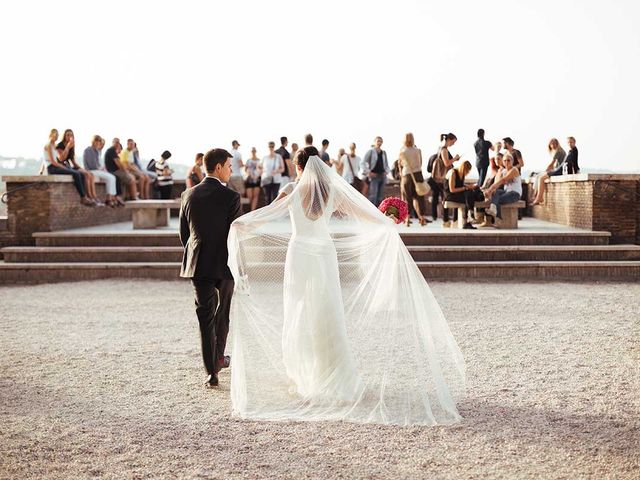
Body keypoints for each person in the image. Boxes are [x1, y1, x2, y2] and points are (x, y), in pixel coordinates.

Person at [227, 151, 465, 425]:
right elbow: (362, 212)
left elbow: (268, 215)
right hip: (324, 253)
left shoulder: (291, 189)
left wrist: (241, 224)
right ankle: (335, 375)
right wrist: (385, 219)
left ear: (299, 167)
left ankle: (306, 377)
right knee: (328, 312)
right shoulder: (331, 193)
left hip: (300, 254)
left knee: (300, 311)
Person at [179, 148, 242, 388]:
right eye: (229, 165)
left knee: (205, 317)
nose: (231, 170)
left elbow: (184, 235)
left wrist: (196, 252)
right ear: (218, 167)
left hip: (199, 262)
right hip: (224, 263)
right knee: (222, 313)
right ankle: (218, 359)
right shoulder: (231, 197)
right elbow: (234, 236)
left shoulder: (188, 195)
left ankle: (211, 373)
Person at [43, 129, 94, 206]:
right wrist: (63, 167)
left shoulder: (54, 145)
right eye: (54, 135)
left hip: (57, 166)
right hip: (52, 168)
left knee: (82, 174)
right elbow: (53, 161)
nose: (55, 137)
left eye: (57, 135)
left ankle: (85, 196)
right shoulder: (48, 145)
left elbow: (46, 159)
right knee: (76, 174)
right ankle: (83, 197)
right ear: (50, 135)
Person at [57, 129, 102, 205]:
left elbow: (73, 162)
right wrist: (67, 147)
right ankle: (88, 196)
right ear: (64, 136)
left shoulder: (72, 146)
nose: (69, 137)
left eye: (71, 135)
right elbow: (61, 158)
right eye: (67, 135)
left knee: (89, 174)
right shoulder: (60, 145)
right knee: (82, 174)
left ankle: (93, 196)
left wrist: (82, 169)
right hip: (62, 167)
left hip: (69, 166)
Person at [427, 133, 459, 227]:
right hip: (442, 179)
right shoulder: (444, 150)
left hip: (437, 179)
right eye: (453, 142)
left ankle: (443, 219)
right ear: (449, 140)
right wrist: (455, 158)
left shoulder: (440, 148)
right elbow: (446, 163)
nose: (453, 144)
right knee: (446, 198)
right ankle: (446, 220)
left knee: (442, 198)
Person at [482, 153, 522, 226]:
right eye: (505, 161)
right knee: (496, 193)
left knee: (498, 199)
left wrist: (490, 189)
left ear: (512, 161)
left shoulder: (514, 169)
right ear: (503, 162)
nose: (506, 162)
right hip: (507, 192)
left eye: (508, 160)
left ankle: (498, 219)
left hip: (515, 194)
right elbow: (497, 182)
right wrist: (490, 191)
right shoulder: (503, 171)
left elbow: (503, 180)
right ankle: (493, 214)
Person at [398, 133, 429, 226]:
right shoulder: (417, 150)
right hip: (418, 174)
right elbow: (420, 163)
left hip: (407, 174)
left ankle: (407, 219)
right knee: (420, 197)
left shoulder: (402, 151)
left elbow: (400, 164)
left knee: (407, 198)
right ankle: (422, 218)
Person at [444, 160, 484, 229]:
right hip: (450, 195)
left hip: (458, 193)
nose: (467, 173)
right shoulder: (453, 173)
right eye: (467, 171)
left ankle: (469, 216)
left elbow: (461, 185)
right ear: (464, 169)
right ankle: (469, 216)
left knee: (469, 195)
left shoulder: (461, 174)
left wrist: (469, 187)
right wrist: (466, 188)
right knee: (468, 196)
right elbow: (452, 189)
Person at [83, 135, 119, 207]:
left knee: (112, 177)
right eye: (97, 140)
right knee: (111, 177)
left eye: (99, 141)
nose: (98, 142)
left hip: (97, 171)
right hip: (91, 171)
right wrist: (101, 168)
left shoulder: (97, 151)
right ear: (93, 141)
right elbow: (92, 165)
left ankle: (110, 198)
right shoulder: (88, 150)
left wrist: (101, 168)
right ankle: (108, 199)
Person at [531, 138, 567, 205]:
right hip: (557, 169)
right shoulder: (558, 151)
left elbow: (551, 164)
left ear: (557, 144)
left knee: (541, 178)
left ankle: (539, 197)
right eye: (551, 144)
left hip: (559, 171)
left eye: (554, 144)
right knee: (538, 176)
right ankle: (535, 195)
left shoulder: (559, 151)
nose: (553, 145)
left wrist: (546, 170)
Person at [361, 136, 390, 206]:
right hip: (374, 176)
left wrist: (386, 171)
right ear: (374, 142)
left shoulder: (384, 153)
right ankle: (372, 213)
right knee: (373, 196)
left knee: (380, 197)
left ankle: (379, 213)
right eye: (378, 141)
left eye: (380, 141)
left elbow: (386, 164)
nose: (379, 142)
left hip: (382, 176)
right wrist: (368, 172)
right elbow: (362, 162)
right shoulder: (371, 151)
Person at [244, 147, 261, 211]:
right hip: (249, 179)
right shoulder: (248, 160)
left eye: (254, 151)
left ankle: (252, 211)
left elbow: (261, 169)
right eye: (252, 151)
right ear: (251, 152)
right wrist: (249, 173)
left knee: (255, 196)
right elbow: (245, 169)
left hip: (257, 179)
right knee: (250, 196)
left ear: (256, 152)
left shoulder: (259, 160)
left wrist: (257, 175)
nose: (253, 152)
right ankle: (252, 208)